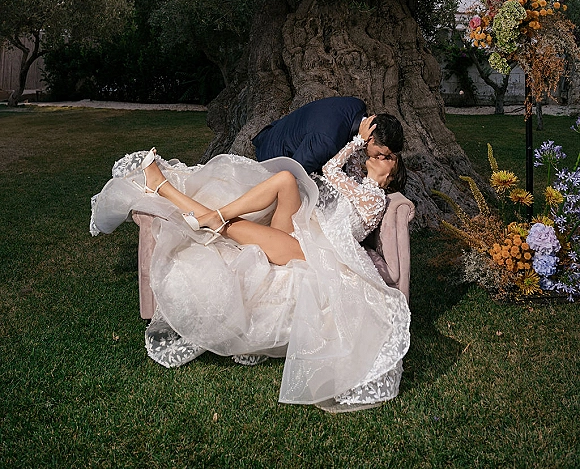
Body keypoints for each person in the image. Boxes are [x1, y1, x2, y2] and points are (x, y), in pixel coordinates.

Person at [90, 116, 410, 411]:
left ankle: (163, 188)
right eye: (377, 154)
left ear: (392, 172)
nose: (377, 158)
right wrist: (360, 141)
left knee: (232, 228)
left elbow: (331, 173)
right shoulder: (361, 184)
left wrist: (357, 143)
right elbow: (334, 170)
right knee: (285, 179)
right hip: (303, 232)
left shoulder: (374, 198)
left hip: (309, 251)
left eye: (386, 158)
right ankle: (212, 214)